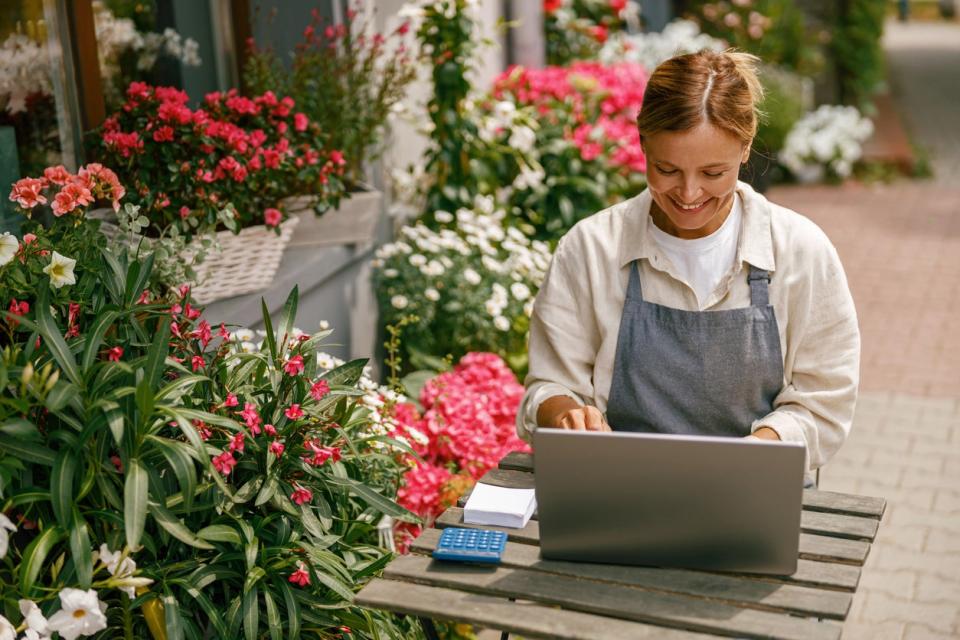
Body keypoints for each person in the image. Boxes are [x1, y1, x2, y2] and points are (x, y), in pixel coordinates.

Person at [516, 50, 860, 486]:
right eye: (667, 169)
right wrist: (564, 414)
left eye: (714, 172)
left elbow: (823, 403)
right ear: (642, 143)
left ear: (746, 145)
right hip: (619, 488)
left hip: (755, 491)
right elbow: (548, 388)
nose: (689, 193)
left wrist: (759, 452)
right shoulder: (590, 249)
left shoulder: (800, 252)